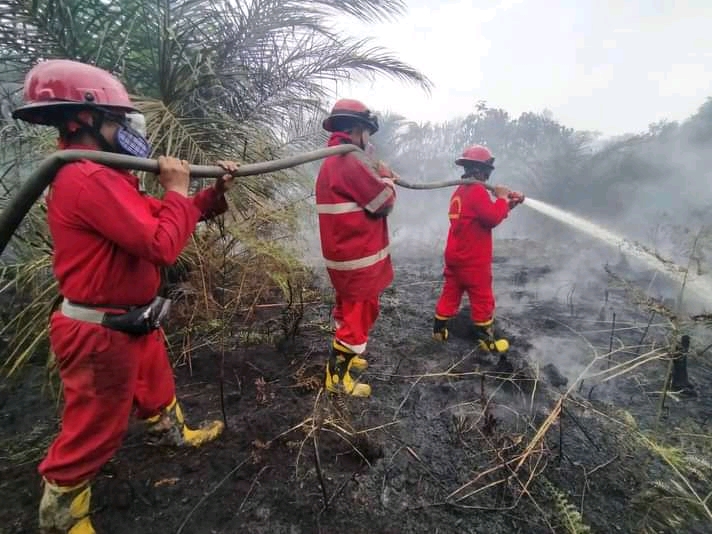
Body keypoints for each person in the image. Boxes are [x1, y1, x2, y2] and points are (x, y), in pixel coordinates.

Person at [12, 59, 237, 534]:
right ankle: (62, 509)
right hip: (99, 332)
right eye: (119, 119)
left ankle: (168, 433)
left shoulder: (109, 176)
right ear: (84, 120)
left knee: (155, 382)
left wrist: (206, 198)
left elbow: (159, 218)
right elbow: (162, 243)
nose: (129, 128)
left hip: (130, 320)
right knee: (96, 425)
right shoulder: (87, 180)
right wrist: (177, 190)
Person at [315, 98, 398, 397]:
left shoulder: (336, 159)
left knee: (349, 308)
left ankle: (347, 359)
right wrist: (387, 179)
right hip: (358, 259)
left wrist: (377, 172)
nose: (369, 141)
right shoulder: (349, 160)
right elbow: (383, 202)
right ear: (356, 130)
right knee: (358, 315)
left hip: (345, 257)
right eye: (367, 134)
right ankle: (337, 380)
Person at [431, 144, 524, 364]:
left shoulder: (461, 191)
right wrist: (501, 198)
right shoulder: (477, 191)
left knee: (450, 293)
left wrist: (508, 204)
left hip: (455, 257)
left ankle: (439, 330)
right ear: (484, 170)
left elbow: (485, 215)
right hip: (473, 261)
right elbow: (491, 218)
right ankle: (486, 340)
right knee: (482, 298)